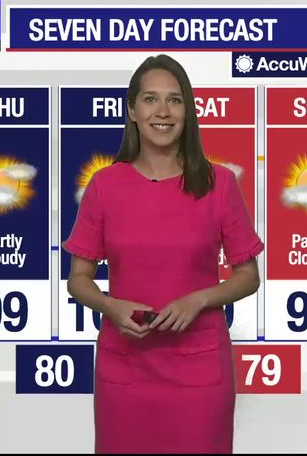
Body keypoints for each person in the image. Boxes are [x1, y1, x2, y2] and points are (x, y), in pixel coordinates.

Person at [63, 54, 264, 453]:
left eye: (175, 100)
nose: (163, 111)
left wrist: (199, 299)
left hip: (199, 374)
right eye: (150, 99)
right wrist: (110, 306)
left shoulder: (219, 183)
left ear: (188, 111)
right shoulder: (104, 186)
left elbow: (248, 276)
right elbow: (78, 280)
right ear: (132, 110)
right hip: (125, 371)